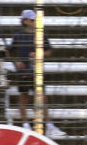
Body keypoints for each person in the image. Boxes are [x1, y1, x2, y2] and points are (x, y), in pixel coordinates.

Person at [7, 9, 65, 137]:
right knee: (24, 98)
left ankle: (49, 125)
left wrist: (39, 54)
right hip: (23, 71)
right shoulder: (19, 36)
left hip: (36, 71)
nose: (34, 23)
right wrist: (16, 62)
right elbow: (10, 52)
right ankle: (26, 124)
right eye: (32, 20)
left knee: (42, 98)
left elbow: (49, 51)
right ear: (26, 21)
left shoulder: (41, 35)